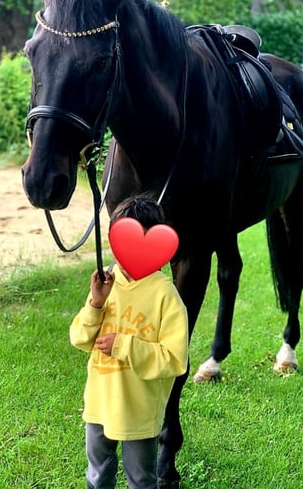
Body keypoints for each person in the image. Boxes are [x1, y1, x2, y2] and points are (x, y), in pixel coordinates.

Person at [70, 195, 189, 489]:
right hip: (99, 402)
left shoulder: (165, 296)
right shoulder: (106, 284)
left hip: (139, 409)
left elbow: (175, 358)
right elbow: (80, 339)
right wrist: (96, 305)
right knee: (97, 475)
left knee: (141, 480)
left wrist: (124, 345)